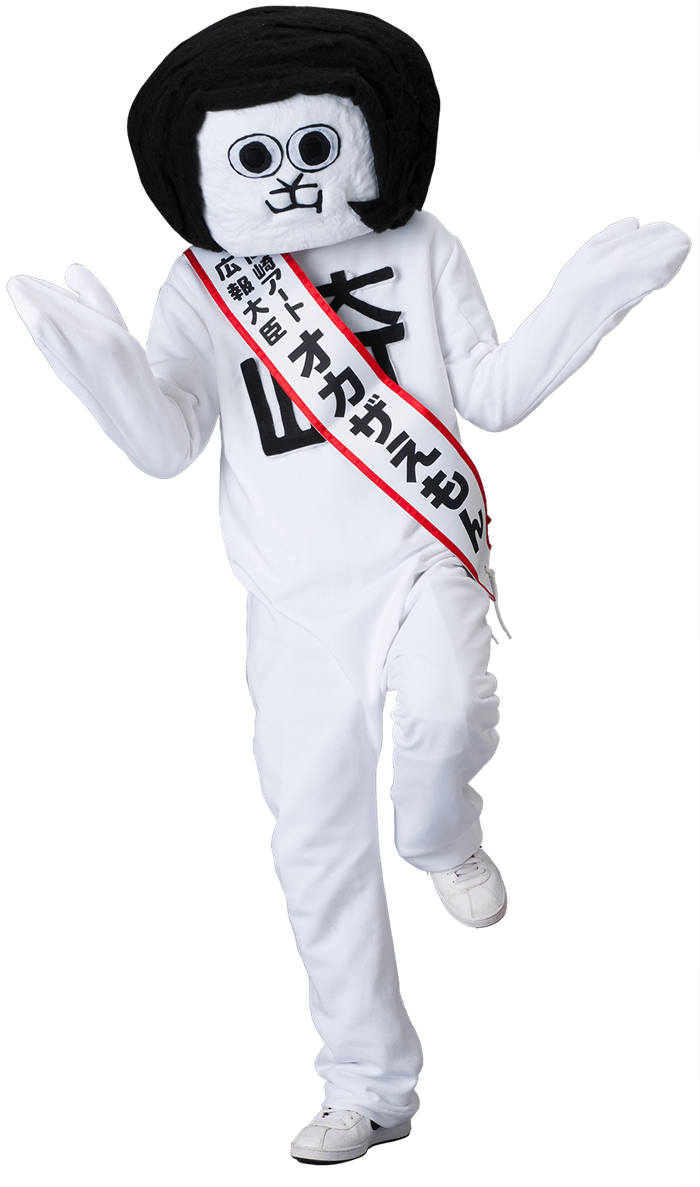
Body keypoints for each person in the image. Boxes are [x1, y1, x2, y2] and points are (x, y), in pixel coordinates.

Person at [7, 6, 690, 1165]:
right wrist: (98, 363)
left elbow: (493, 393)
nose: (287, 178)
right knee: (315, 842)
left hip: (423, 553)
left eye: (314, 146)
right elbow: (168, 445)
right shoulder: (203, 285)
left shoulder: (423, 246)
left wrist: (587, 299)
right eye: (254, 157)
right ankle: (367, 1085)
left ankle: (443, 832)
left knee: (447, 714)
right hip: (291, 599)